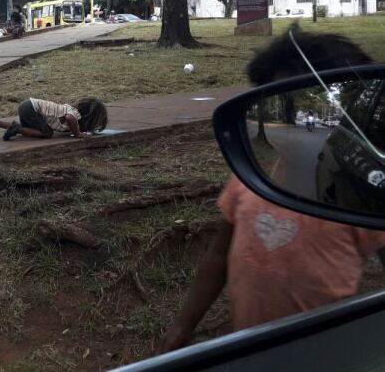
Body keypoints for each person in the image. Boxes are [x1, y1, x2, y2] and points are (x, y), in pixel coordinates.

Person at [156, 27, 385, 353]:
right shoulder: (249, 179)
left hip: (326, 352)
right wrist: (183, 325)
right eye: (276, 108)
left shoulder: (358, 191)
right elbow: (218, 255)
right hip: (252, 346)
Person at [0, 97, 108, 141]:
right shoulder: (74, 114)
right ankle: (15, 129)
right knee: (47, 133)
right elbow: (69, 118)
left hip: (28, 105)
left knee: (28, 130)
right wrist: (78, 134)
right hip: (32, 108)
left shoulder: (70, 110)